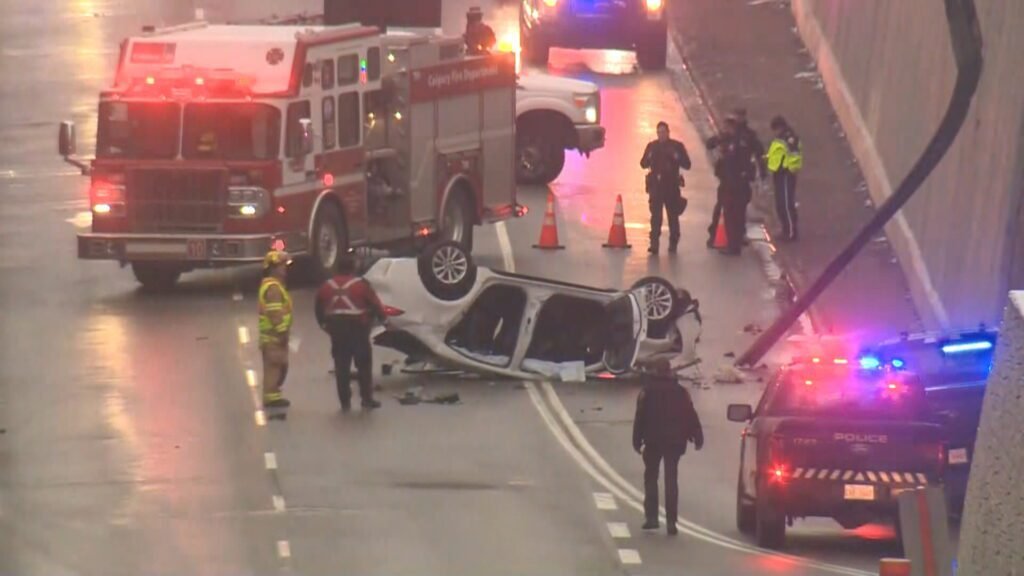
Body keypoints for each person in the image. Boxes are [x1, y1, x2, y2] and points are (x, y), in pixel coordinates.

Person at [632, 358, 704, 535]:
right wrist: (697, 436)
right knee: (671, 479)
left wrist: (636, 440)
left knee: (651, 477)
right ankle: (671, 522)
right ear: (669, 371)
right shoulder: (680, 392)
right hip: (674, 442)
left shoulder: (647, 392)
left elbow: (640, 417)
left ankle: (652, 518)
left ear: (655, 372)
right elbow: (690, 415)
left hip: (653, 441)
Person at [315, 254, 386, 411]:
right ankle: (366, 399)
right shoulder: (361, 285)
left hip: (337, 330)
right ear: (353, 267)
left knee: (341, 366)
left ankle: (344, 401)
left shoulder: (326, 286)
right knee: (364, 365)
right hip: (358, 329)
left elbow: (319, 309)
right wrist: (383, 319)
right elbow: (375, 304)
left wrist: (325, 326)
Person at [640, 121, 692, 255]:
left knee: (673, 217)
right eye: (659, 133)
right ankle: (654, 243)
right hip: (656, 187)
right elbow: (643, 163)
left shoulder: (676, 146)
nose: (661, 135)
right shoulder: (652, 146)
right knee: (655, 217)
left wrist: (676, 157)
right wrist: (649, 158)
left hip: (671, 186)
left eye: (663, 132)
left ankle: (673, 242)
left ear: (668, 132)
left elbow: (687, 164)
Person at [714, 119, 757, 255]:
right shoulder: (737, 142)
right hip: (735, 185)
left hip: (734, 186)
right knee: (736, 216)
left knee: (732, 216)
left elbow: (733, 165)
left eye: (727, 127)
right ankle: (735, 244)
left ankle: (733, 246)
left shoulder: (736, 144)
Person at [259, 250, 293, 409]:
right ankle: (271, 398)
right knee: (274, 368)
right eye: (281, 266)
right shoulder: (273, 288)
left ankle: (274, 395)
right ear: (272, 268)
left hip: (273, 337)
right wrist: (282, 331)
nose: (284, 269)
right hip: (274, 337)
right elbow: (275, 313)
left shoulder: (275, 286)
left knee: (279, 367)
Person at [766, 115, 803, 241]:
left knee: (786, 204)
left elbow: (794, 155)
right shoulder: (780, 138)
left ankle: (791, 232)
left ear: (780, 127)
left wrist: (791, 169)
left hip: (786, 174)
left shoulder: (790, 138)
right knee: (780, 204)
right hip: (778, 174)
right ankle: (785, 229)